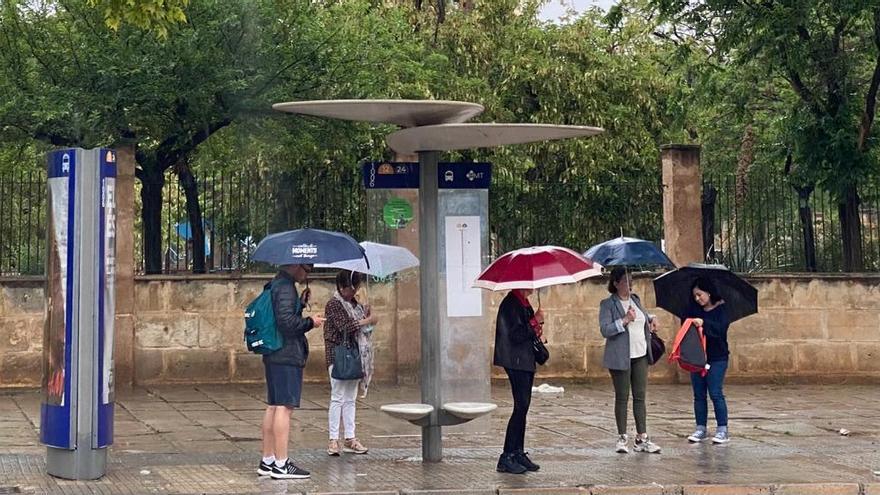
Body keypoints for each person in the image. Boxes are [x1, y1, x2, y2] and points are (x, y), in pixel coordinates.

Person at [257, 263, 324, 480]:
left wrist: (300, 304)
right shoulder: (285, 287)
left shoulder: (275, 284)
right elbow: (286, 324)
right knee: (284, 407)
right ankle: (281, 463)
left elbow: (281, 316)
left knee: (274, 406)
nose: (308, 273)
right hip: (286, 354)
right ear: (295, 265)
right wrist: (310, 322)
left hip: (274, 352)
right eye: (307, 268)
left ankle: (267, 461)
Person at [599, 267, 662, 454]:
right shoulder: (608, 304)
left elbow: (642, 316)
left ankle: (642, 437)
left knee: (640, 396)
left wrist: (651, 318)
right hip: (620, 356)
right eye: (625, 281)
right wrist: (624, 320)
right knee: (622, 397)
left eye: (631, 280)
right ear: (616, 283)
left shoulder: (635, 300)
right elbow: (605, 329)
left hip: (640, 353)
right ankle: (621, 437)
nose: (630, 284)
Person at [323, 270, 377, 456]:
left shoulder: (356, 305)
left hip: (356, 355)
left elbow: (365, 329)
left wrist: (368, 318)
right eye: (350, 288)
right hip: (338, 354)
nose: (353, 292)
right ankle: (333, 439)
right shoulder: (333, 304)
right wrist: (365, 320)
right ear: (342, 287)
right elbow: (345, 327)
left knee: (350, 398)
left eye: (355, 288)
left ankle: (350, 437)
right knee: (337, 396)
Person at [493, 288, 543, 474]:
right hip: (515, 361)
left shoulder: (523, 303)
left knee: (524, 407)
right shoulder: (510, 305)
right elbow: (515, 335)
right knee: (520, 406)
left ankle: (518, 452)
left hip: (525, 360)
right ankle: (506, 456)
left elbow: (527, 332)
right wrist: (533, 322)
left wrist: (536, 326)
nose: (533, 287)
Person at [685, 277, 731, 444]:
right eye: (695, 296)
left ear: (709, 292)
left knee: (716, 393)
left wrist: (704, 323)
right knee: (698, 394)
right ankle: (700, 428)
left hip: (717, 358)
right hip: (697, 358)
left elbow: (720, 330)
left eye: (700, 294)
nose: (698, 299)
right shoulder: (693, 310)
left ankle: (722, 429)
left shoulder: (721, 310)